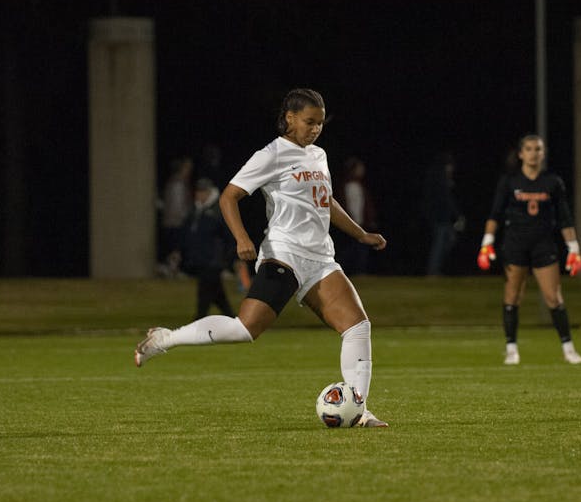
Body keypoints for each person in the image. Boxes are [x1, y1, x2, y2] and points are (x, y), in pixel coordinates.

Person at [135, 88, 390, 427]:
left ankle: (358, 410)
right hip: (284, 253)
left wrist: (360, 234)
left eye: (320, 123)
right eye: (309, 122)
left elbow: (325, 201)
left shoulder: (318, 155)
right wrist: (242, 237)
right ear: (289, 118)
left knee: (358, 327)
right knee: (245, 328)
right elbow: (229, 197)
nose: (315, 129)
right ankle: (165, 338)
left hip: (321, 259)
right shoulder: (271, 154)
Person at [476, 134, 581, 365]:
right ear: (521, 154)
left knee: (553, 297)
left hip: (543, 245)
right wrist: (486, 243)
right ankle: (511, 349)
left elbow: (565, 217)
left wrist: (574, 249)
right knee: (512, 297)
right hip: (515, 245)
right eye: (529, 149)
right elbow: (495, 214)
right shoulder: (510, 181)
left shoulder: (552, 182)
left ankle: (568, 349)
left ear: (543, 153)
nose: (533, 153)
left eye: (538, 149)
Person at [177, 177, 235, 319]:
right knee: (217, 294)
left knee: (205, 291)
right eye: (198, 191)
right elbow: (187, 232)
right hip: (200, 259)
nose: (199, 194)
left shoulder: (218, 209)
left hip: (213, 260)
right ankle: (233, 320)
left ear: (209, 192)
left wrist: (229, 258)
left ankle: (199, 319)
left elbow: (229, 235)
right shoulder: (196, 210)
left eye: (202, 191)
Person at [422, 152, 465, 276]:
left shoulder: (441, 178)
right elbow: (446, 200)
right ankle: (433, 270)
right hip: (439, 217)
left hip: (442, 217)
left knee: (448, 240)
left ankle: (436, 268)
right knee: (439, 243)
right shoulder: (439, 178)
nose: (451, 169)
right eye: (450, 166)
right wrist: (458, 215)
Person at [334, 156, 377, 275]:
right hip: (350, 223)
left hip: (361, 224)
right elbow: (343, 206)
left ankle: (360, 272)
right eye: (359, 168)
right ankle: (338, 270)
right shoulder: (345, 186)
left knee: (360, 250)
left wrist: (369, 219)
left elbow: (365, 205)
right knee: (349, 250)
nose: (362, 170)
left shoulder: (359, 186)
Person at [159, 156, 194, 277]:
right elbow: (177, 205)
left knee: (175, 248)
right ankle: (172, 270)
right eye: (187, 168)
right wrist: (187, 218)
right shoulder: (178, 184)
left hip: (172, 221)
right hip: (176, 221)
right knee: (176, 248)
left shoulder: (174, 182)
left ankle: (172, 269)